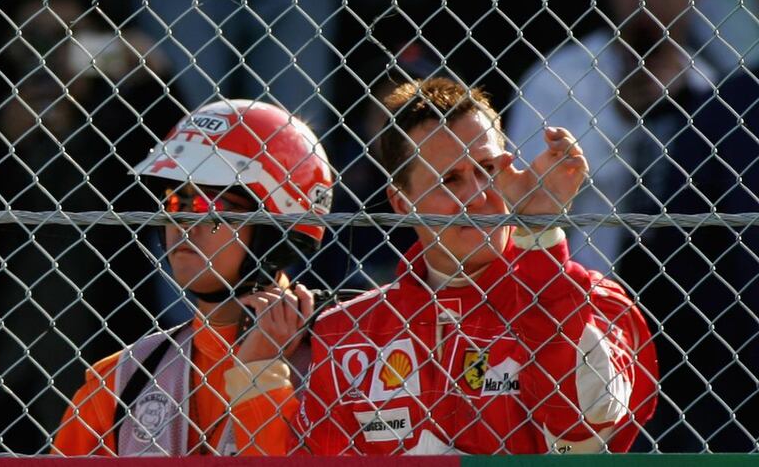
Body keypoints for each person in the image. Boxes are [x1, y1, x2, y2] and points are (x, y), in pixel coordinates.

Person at [224, 77, 658, 454]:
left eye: (487, 169)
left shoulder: (593, 301)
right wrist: (258, 373)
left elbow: (580, 435)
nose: (478, 195)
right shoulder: (348, 334)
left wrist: (541, 236)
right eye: (450, 179)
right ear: (401, 202)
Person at [52, 98, 333, 456]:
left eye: (210, 205)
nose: (184, 223)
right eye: (174, 203)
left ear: (277, 227)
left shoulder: (341, 363)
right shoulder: (118, 381)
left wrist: (259, 373)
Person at [507, 0, 715, 273]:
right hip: (583, 282)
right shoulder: (559, 77)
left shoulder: (709, 86)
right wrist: (617, 118)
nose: (646, 3)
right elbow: (522, 199)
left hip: (689, 288)